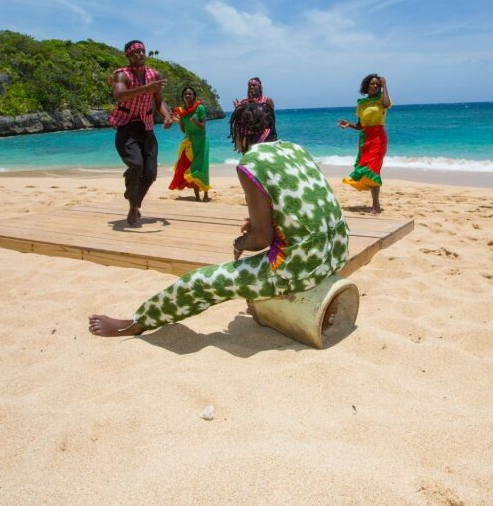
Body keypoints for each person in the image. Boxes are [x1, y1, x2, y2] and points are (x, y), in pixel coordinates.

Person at [89, 102, 349, 337]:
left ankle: (135, 323)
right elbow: (302, 201)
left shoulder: (251, 162)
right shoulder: (295, 148)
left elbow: (261, 239)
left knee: (201, 282)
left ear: (240, 132)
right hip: (337, 251)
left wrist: (240, 243)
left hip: (301, 267)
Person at [110, 40, 173, 226]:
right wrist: (146, 88)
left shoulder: (154, 75)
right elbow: (119, 96)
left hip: (146, 128)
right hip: (126, 128)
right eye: (136, 52)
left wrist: (167, 116)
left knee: (151, 173)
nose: (140, 54)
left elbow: (158, 101)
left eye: (142, 51)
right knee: (136, 165)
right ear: (128, 56)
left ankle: (134, 202)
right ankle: (132, 202)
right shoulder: (123, 75)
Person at [339, 74, 392, 214]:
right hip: (364, 138)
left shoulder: (382, 99)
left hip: (378, 138)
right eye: (372, 84)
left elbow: (387, 105)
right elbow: (360, 125)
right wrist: (349, 124)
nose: (375, 86)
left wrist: (385, 85)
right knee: (366, 168)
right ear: (366, 86)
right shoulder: (361, 104)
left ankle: (375, 206)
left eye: (378, 84)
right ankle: (377, 204)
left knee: (373, 170)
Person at [168, 86, 211, 202]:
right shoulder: (182, 112)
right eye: (185, 94)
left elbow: (203, 127)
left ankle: (206, 193)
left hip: (201, 142)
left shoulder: (200, 108)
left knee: (201, 168)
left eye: (190, 94)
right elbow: (184, 130)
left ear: (194, 96)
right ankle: (197, 197)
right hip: (189, 142)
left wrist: (195, 121)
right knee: (187, 167)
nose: (188, 96)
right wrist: (178, 122)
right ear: (183, 97)